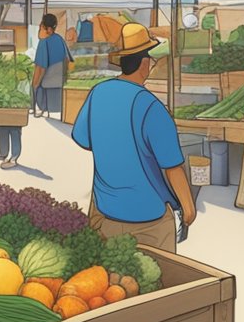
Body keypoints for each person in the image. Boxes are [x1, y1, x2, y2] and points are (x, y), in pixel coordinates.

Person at [71, 23, 196, 252]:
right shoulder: (151, 107)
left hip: (103, 212)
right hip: (148, 220)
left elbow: (83, 139)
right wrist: (188, 208)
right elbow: (172, 168)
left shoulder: (98, 93)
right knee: (155, 279)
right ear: (145, 63)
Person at [32, 13, 73, 119]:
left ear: (48, 29)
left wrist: (34, 85)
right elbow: (67, 60)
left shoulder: (43, 43)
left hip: (47, 83)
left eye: (41, 28)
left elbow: (41, 68)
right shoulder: (59, 39)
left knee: (34, 83)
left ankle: (38, 108)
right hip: (60, 81)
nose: (38, 32)